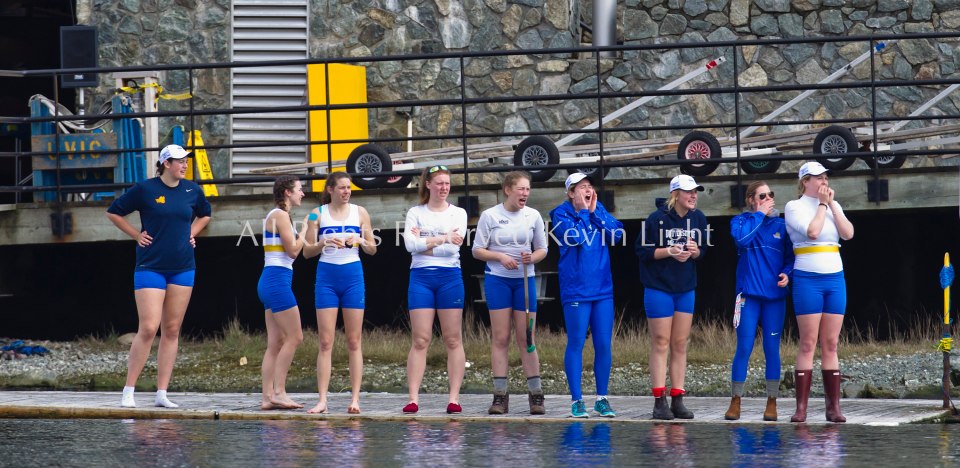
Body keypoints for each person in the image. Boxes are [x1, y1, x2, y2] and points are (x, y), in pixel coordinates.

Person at [106, 144, 212, 408]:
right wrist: (136, 234)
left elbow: (206, 214)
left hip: (183, 267)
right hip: (150, 267)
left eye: (187, 161)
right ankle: (129, 390)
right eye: (180, 161)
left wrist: (192, 232)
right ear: (166, 163)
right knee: (149, 327)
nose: (185, 165)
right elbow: (114, 211)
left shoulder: (192, 190)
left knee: (172, 329)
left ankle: (161, 393)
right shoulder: (146, 189)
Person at [472, 171, 549, 415]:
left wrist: (532, 257)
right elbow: (477, 250)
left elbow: (542, 250)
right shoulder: (490, 215)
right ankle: (500, 396)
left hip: (524, 281)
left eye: (528, 189)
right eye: (521, 189)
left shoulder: (533, 216)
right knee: (501, 337)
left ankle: (536, 395)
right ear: (508, 190)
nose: (525, 193)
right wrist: (500, 256)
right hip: (498, 280)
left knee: (527, 338)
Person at [784, 162, 854, 423]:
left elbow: (848, 233)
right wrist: (823, 206)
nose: (823, 181)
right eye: (818, 178)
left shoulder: (833, 206)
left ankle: (833, 408)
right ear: (805, 181)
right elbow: (812, 232)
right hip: (808, 278)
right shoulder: (795, 206)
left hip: (835, 277)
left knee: (831, 343)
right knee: (808, 342)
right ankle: (801, 407)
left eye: (825, 177)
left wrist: (833, 206)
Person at [549, 173, 624, 418]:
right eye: (582, 187)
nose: (588, 190)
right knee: (577, 343)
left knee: (603, 344)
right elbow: (574, 238)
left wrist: (594, 213)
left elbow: (617, 236)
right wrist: (582, 212)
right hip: (576, 290)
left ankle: (602, 399)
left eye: (590, 186)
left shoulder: (597, 209)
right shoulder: (559, 214)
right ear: (571, 193)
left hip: (602, 290)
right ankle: (577, 400)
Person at [634, 174, 708, 420]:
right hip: (659, 287)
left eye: (696, 191)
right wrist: (669, 251)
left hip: (686, 287)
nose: (694, 195)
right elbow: (641, 251)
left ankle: (678, 398)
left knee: (680, 343)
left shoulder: (698, 218)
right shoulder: (656, 219)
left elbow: (704, 251)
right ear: (675, 194)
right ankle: (659, 400)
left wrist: (697, 252)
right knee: (661, 342)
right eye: (689, 192)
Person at [303, 172, 377, 414]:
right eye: (342, 188)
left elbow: (373, 250)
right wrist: (323, 243)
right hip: (327, 277)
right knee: (325, 341)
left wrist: (360, 239)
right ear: (330, 189)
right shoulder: (317, 213)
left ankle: (355, 399)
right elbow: (306, 252)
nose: (347, 191)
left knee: (354, 340)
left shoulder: (360, 212)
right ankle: (322, 400)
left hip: (353, 275)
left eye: (349, 188)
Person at [725, 181, 794, 421]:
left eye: (771, 195)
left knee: (772, 349)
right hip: (748, 296)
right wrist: (759, 215)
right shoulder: (741, 221)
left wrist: (788, 273)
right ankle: (736, 400)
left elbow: (791, 257)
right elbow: (742, 240)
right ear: (751, 199)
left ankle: (772, 401)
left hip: (774, 297)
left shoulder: (782, 225)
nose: (768, 199)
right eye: (762, 195)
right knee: (743, 347)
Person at [402, 165, 467, 414]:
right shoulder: (415, 212)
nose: (444, 188)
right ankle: (413, 399)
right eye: (439, 183)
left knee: (452, 338)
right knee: (420, 339)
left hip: (450, 276)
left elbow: (453, 249)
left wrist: (425, 241)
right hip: (421, 277)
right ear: (427, 185)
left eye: (447, 184)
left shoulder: (458, 213)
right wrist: (442, 237)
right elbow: (409, 245)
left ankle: (454, 398)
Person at [257, 175, 306, 410]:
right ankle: (279, 391)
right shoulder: (280, 215)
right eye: (299, 189)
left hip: (271, 279)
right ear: (287, 192)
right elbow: (294, 251)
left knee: (275, 343)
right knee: (295, 337)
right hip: (276, 280)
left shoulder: (276, 215)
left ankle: (267, 398)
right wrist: (307, 228)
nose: (302, 193)